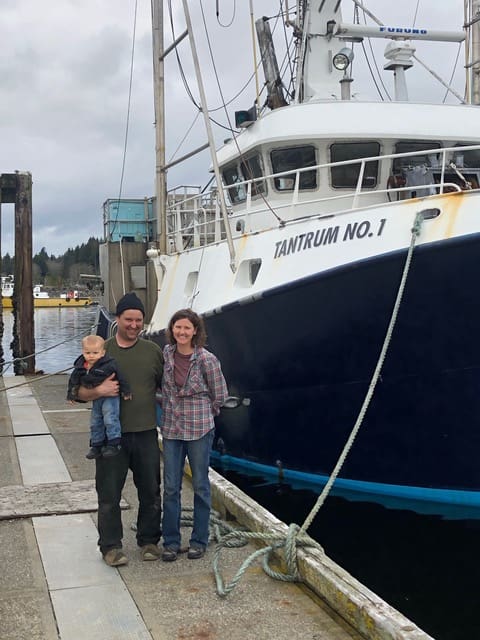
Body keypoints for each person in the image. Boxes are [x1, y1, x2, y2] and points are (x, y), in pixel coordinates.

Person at [75, 292, 164, 567]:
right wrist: (98, 390)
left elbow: (165, 387)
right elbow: (76, 392)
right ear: (118, 319)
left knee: (151, 490)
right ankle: (111, 546)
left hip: (147, 432)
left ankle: (149, 540)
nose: (134, 325)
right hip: (111, 437)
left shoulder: (153, 352)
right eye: (129, 319)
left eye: (139, 320)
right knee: (109, 493)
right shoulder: (102, 351)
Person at [160, 308, 228, 561]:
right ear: (172, 329)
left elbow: (220, 393)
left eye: (187, 327)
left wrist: (205, 410)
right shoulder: (166, 355)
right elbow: (161, 388)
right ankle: (171, 541)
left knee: (200, 485)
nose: (182, 332)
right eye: (178, 327)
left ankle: (199, 539)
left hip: (199, 429)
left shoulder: (207, 359)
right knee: (170, 487)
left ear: (195, 331)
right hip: (171, 429)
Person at [67, 334, 132, 460]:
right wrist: (71, 394)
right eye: (88, 352)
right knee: (95, 421)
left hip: (111, 397)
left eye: (95, 353)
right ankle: (96, 445)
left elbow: (121, 377)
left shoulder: (109, 364)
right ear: (83, 352)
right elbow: (73, 380)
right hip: (96, 396)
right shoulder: (80, 367)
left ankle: (114, 443)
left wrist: (126, 391)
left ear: (102, 353)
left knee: (110, 418)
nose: (91, 356)